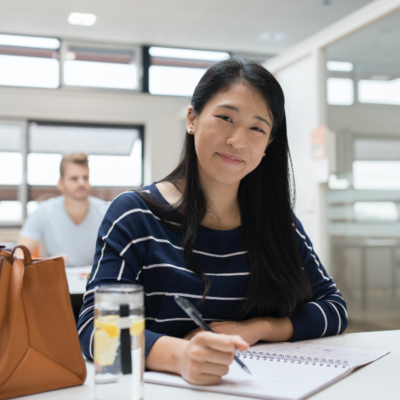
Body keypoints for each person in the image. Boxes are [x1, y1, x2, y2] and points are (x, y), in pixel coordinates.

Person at [78, 58, 348, 385]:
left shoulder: (277, 222)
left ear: (268, 145)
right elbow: (95, 330)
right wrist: (180, 356)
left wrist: (257, 328)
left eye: (257, 128)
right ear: (192, 119)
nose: (238, 140)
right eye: (225, 118)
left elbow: (334, 308)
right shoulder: (136, 214)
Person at [18, 152, 107, 267]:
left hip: (95, 280)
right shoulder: (43, 212)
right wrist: (47, 264)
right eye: (74, 178)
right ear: (61, 183)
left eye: (85, 178)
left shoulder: (105, 212)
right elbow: (19, 255)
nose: (81, 183)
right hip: (57, 279)